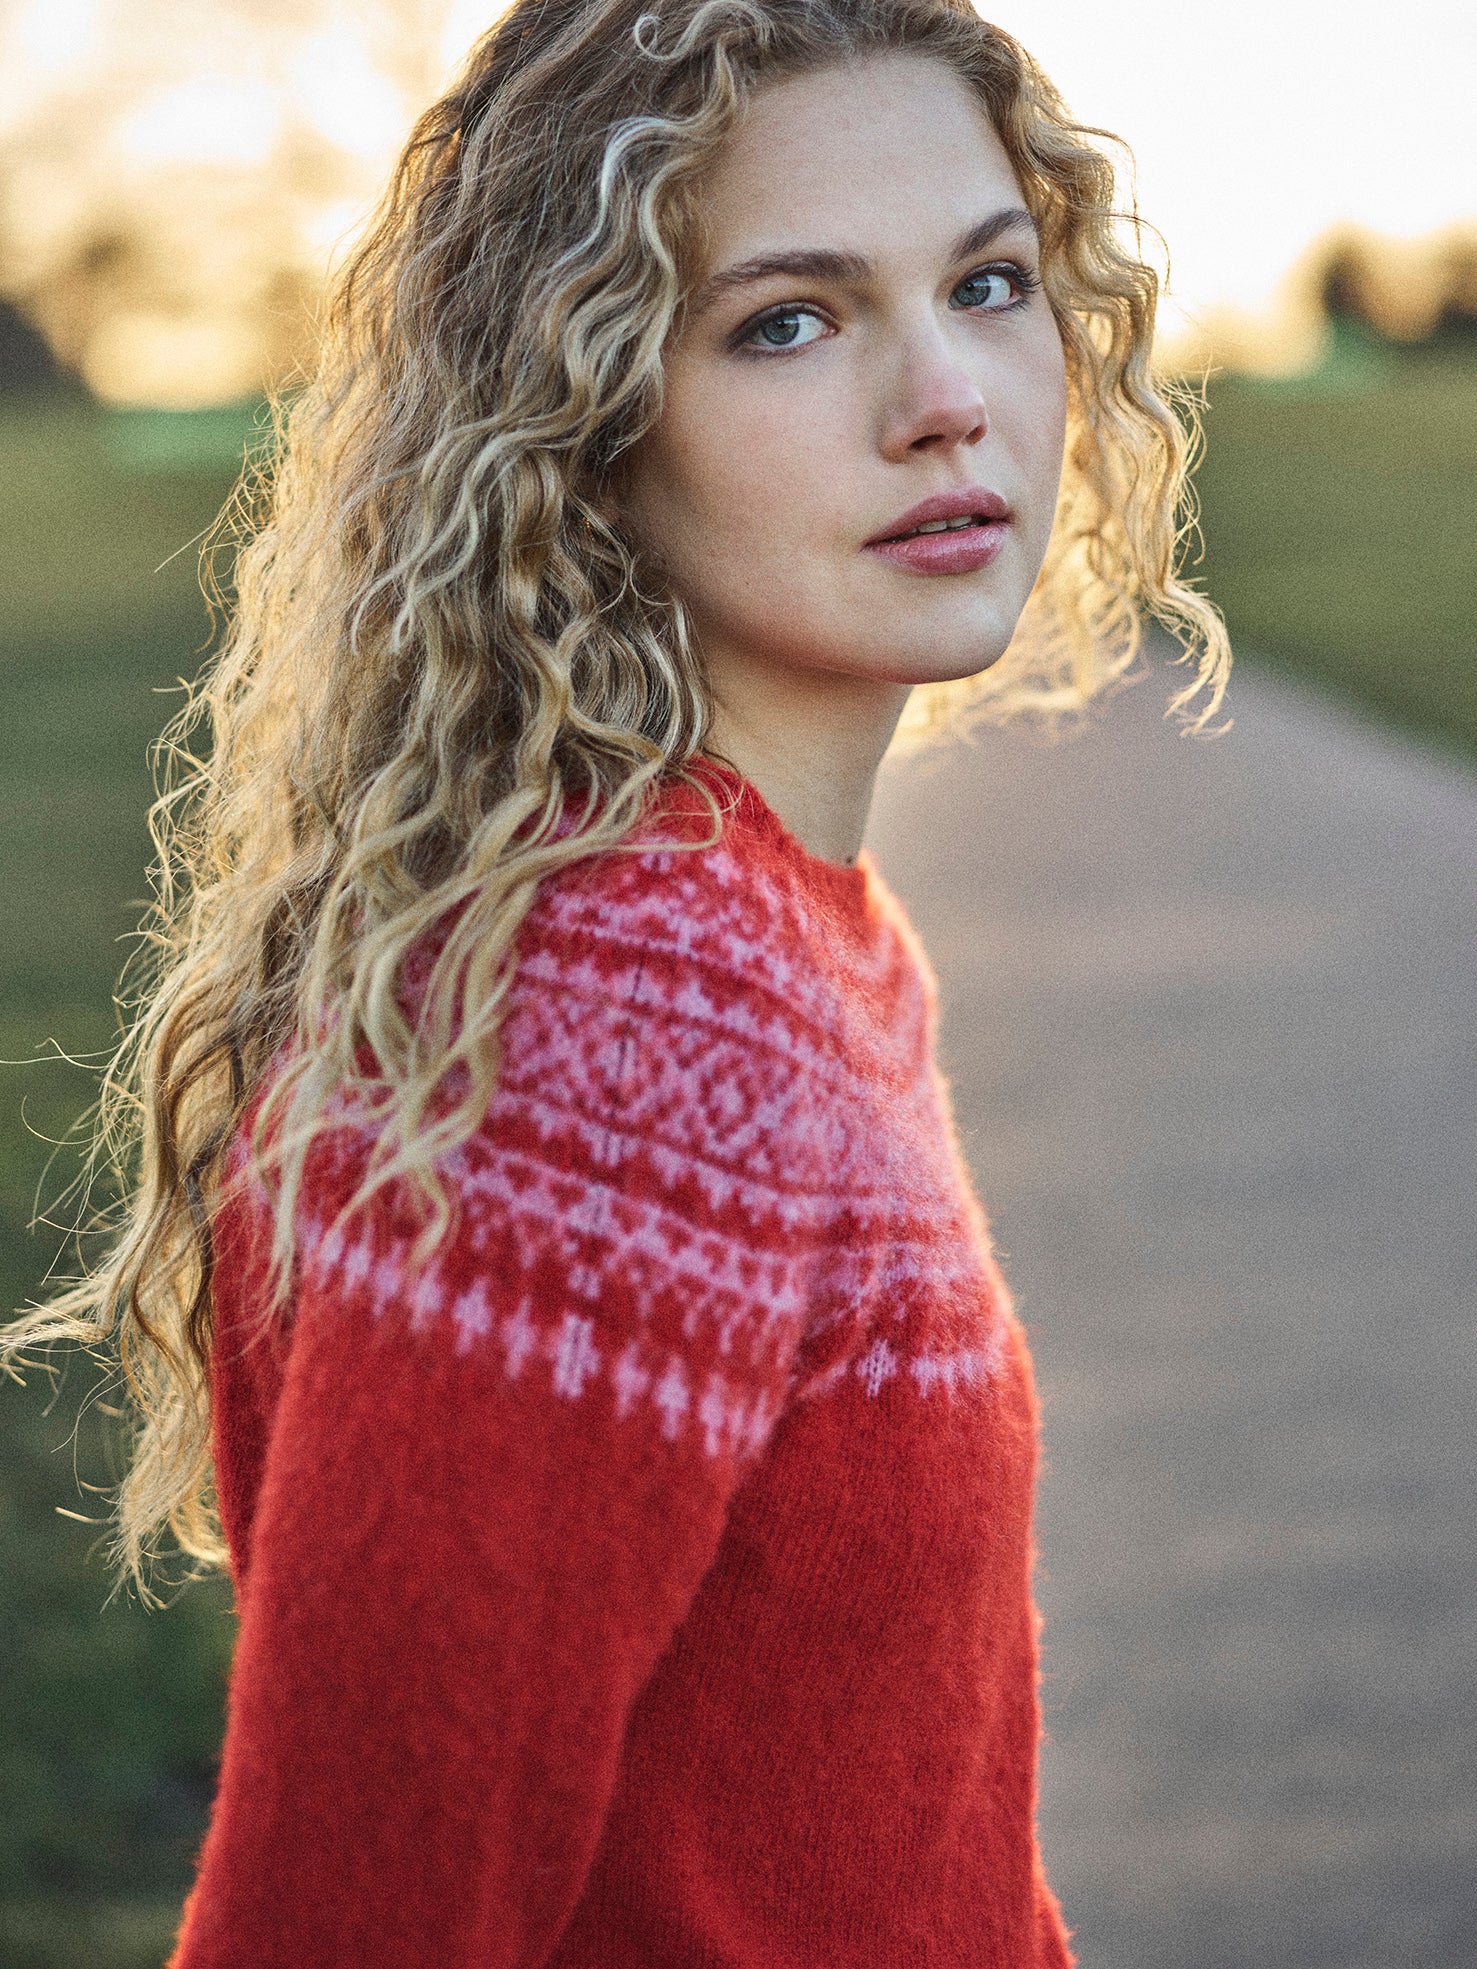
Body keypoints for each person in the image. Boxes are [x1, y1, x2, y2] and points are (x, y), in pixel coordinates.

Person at [3, 1, 1229, 1963]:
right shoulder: (627, 1006)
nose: (945, 397)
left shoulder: (766, 924)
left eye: (989, 284)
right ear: (576, 417)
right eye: (788, 322)